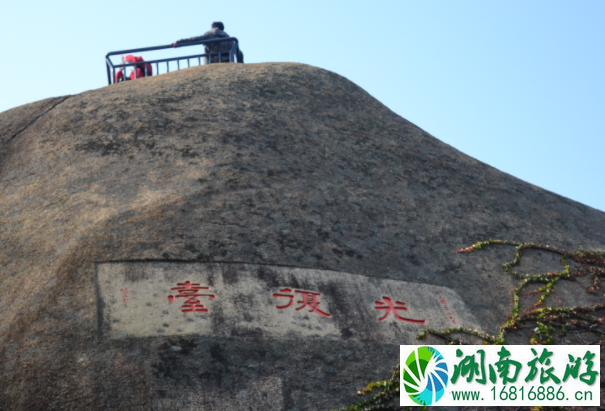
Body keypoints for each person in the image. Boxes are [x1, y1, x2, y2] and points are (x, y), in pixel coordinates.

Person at [172, 22, 244, 64]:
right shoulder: (230, 39)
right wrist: (239, 65)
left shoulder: (208, 35)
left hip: (212, 63)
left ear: (212, 28)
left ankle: (206, 65)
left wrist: (179, 42)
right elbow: (239, 53)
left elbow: (194, 39)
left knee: (206, 48)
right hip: (227, 63)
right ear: (222, 29)